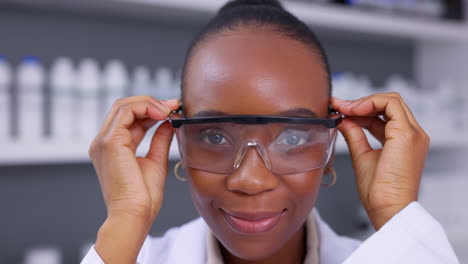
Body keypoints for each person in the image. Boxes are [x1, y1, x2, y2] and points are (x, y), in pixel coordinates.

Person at [81, 0, 459, 263]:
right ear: (176, 138)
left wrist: (397, 215)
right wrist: (126, 218)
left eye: (292, 137)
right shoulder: (128, 257)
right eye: (215, 136)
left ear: (330, 145)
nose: (251, 179)